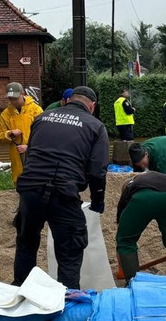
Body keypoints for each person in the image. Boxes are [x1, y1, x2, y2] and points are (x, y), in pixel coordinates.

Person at [13, 86, 109, 289]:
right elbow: (97, 170)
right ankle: (66, 302)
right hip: (63, 192)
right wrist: (98, 200)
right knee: (70, 252)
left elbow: (32, 154)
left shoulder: (42, 118)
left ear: (68, 100)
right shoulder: (95, 126)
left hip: (29, 189)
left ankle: (21, 292)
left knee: (26, 243)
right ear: (92, 106)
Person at [0, 82, 44, 183]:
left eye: (15, 98)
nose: (13, 102)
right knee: (19, 181)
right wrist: (9, 134)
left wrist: (29, 147)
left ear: (22, 93)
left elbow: (44, 134)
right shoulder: (6, 114)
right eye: (10, 99)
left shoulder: (36, 110)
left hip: (34, 153)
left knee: (36, 179)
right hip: (16, 155)